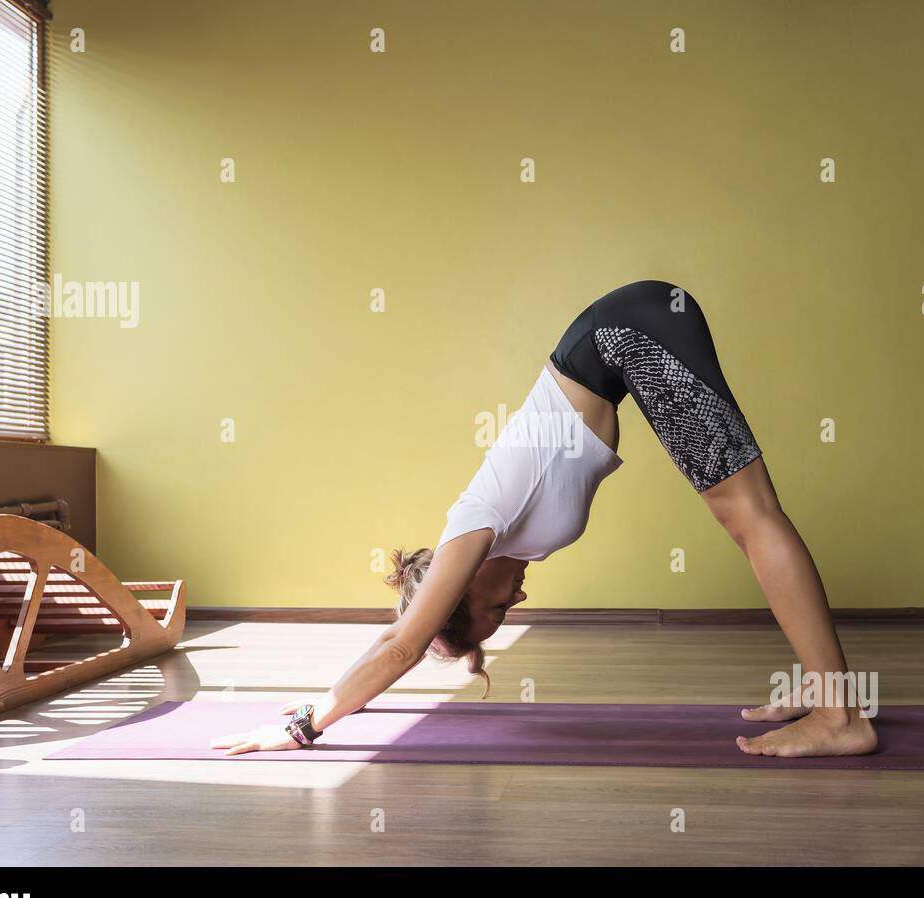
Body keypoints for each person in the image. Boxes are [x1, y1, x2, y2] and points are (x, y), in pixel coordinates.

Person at [212, 280, 876, 758]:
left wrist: (304, 725)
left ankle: (839, 717)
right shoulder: (487, 539)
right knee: (750, 515)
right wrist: (340, 688)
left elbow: (402, 646)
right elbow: (402, 632)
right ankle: (826, 691)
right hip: (627, 334)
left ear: (461, 586)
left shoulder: (477, 522)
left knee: (749, 516)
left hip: (629, 331)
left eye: (498, 609)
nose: (519, 600)